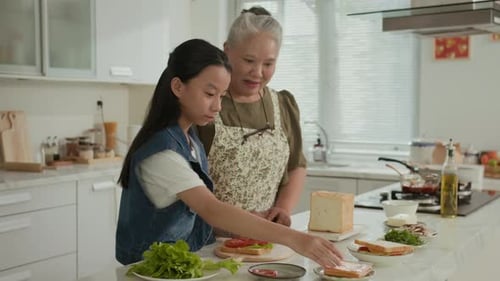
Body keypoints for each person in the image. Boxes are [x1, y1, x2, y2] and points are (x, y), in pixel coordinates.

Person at [115, 38, 343, 268]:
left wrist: (251, 222)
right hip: (147, 272)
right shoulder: (162, 153)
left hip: (178, 267)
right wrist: (297, 240)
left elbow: (195, 218)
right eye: (209, 93)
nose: (217, 107)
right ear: (178, 87)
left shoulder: (189, 139)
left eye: (221, 96)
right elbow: (211, 210)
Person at [197, 6, 306, 227]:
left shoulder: (283, 105)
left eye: (268, 64)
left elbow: (296, 166)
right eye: (249, 60)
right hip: (211, 240)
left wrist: (283, 209)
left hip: (266, 238)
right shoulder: (205, 104)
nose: (257, 72)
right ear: (227, 51)